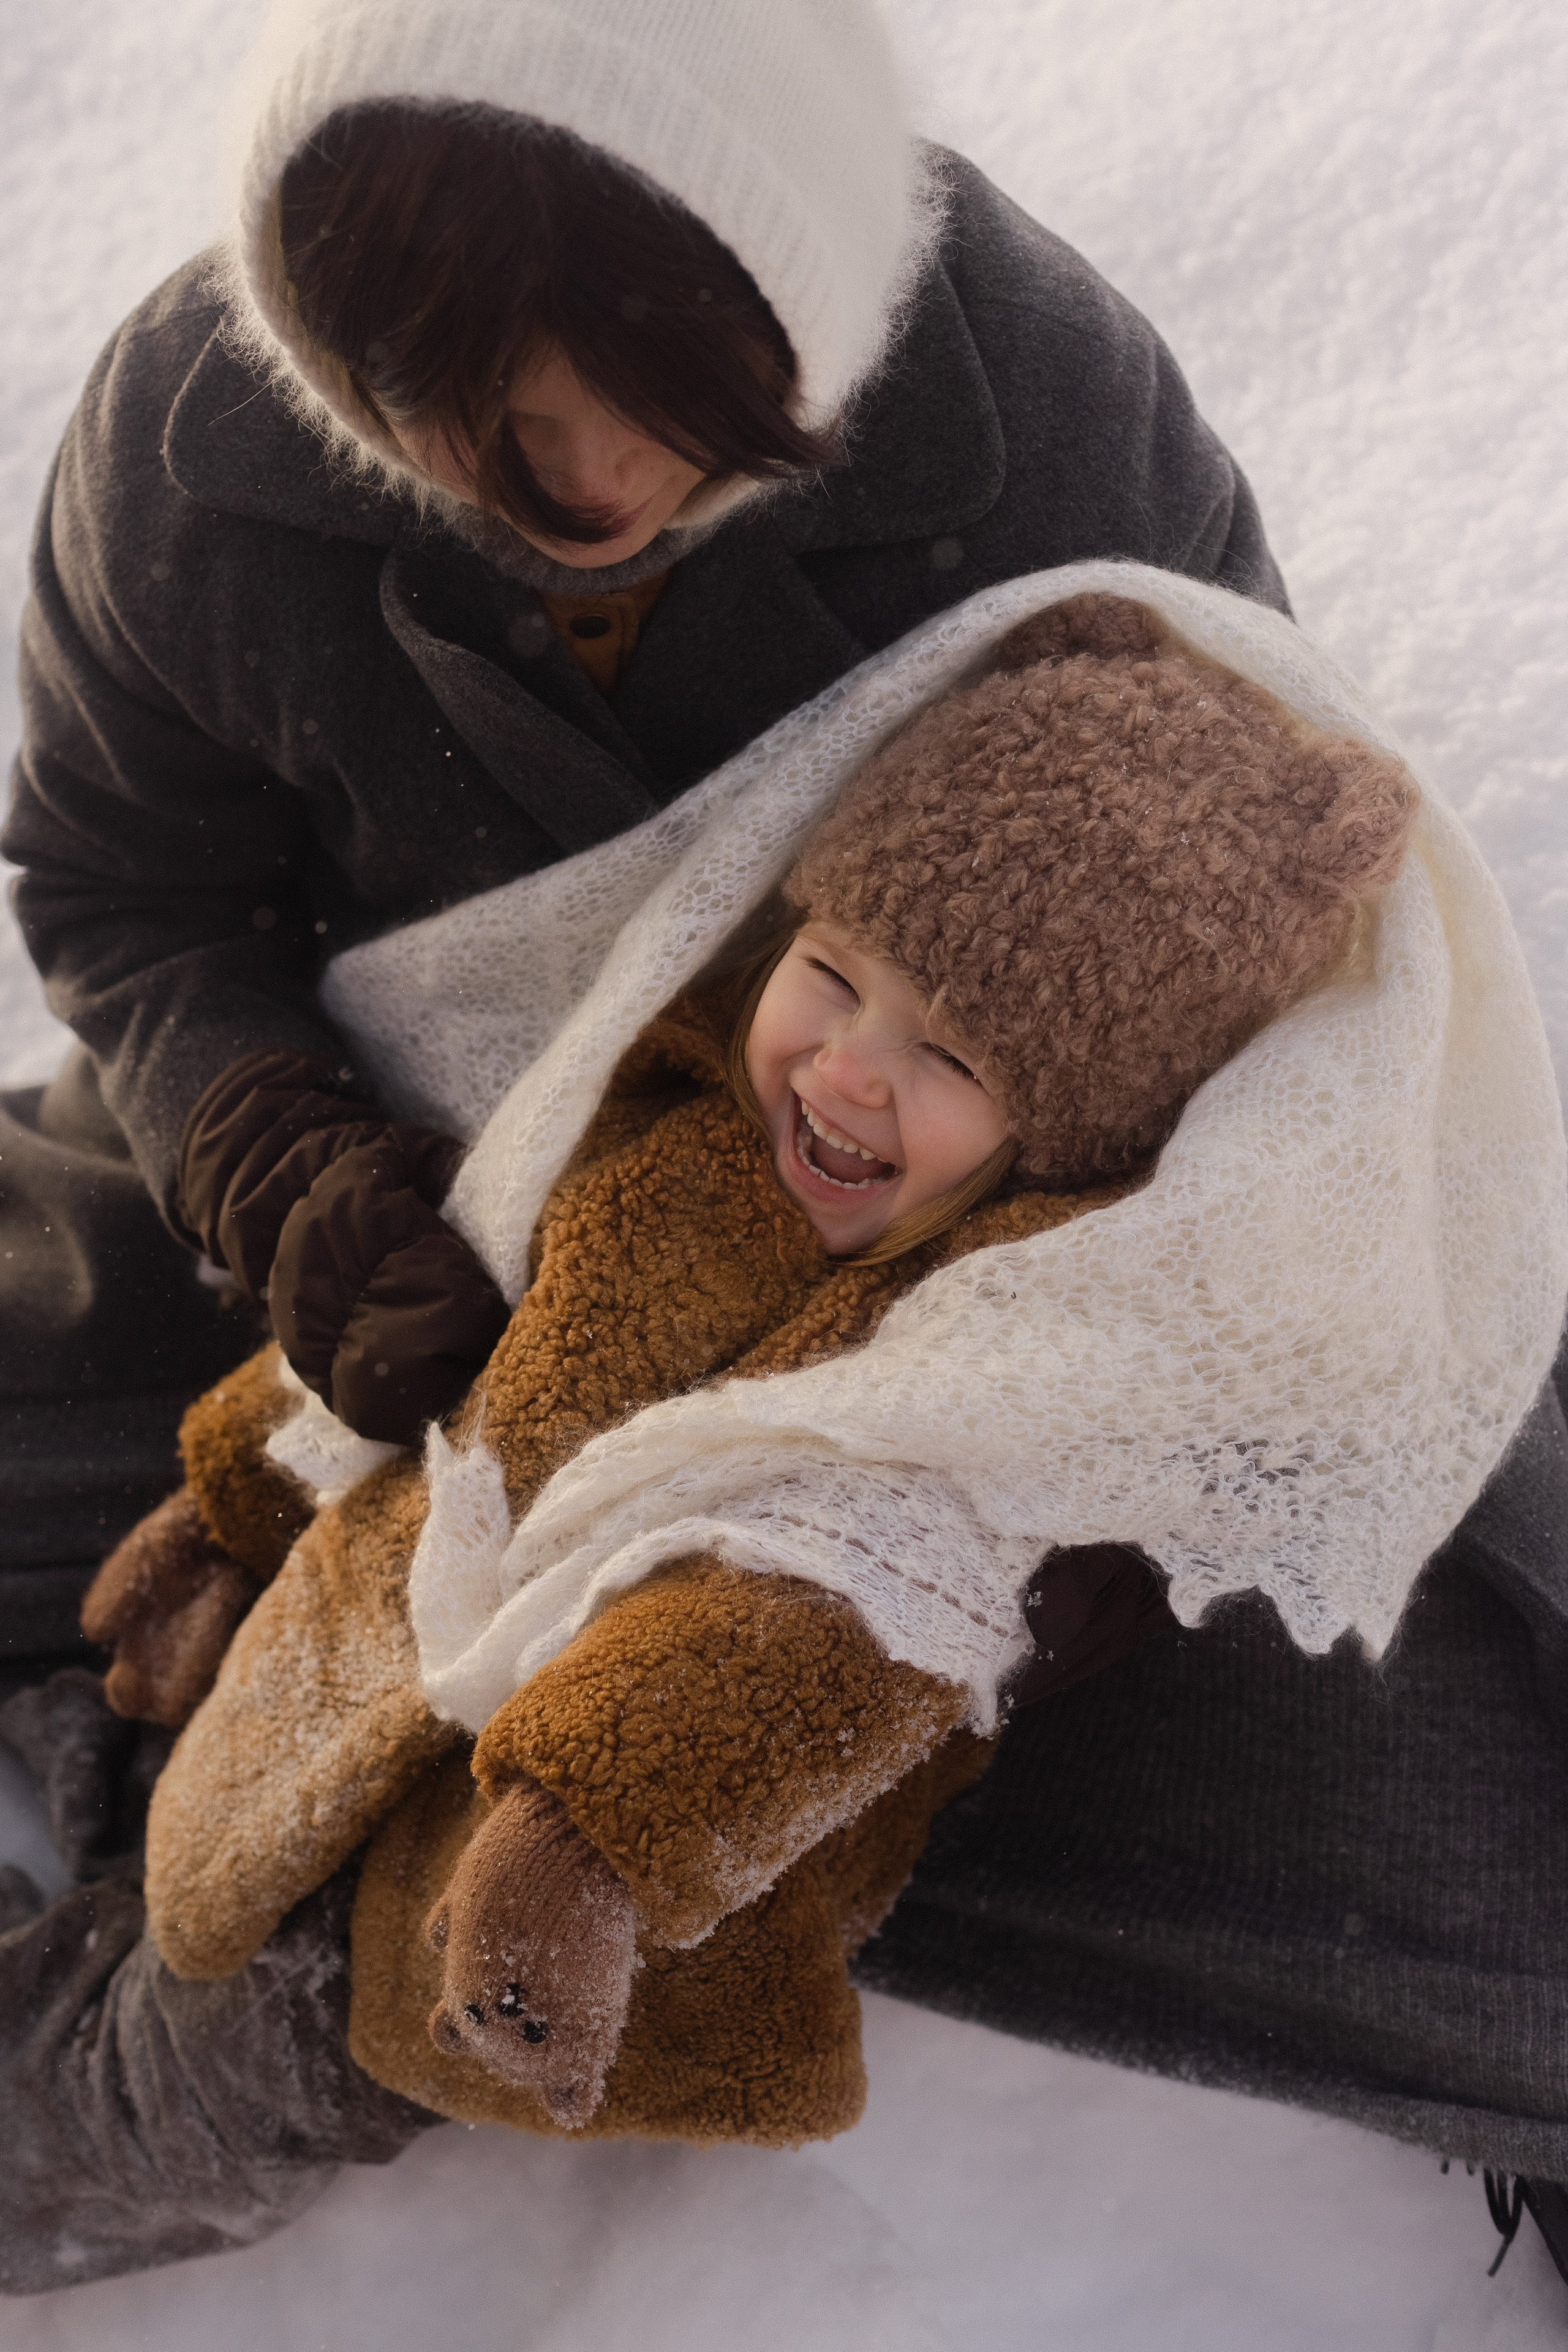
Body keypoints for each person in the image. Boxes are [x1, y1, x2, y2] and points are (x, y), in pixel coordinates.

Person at [4, 0, 1567, 2294]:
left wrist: (959, 1422)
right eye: (470, 410)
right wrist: (276, 1163)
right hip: (397, 1182)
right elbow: (124, 887)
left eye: (645, 384)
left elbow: (1224, 952)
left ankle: (346, 1918)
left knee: (1429, 1713)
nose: (582, 481)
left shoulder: (1041, 425)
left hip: (929, 1250)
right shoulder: (197, 442)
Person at [1, 590, 1423, 2275]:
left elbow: (794, 1655)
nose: (845, 1069)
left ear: (1068, 1138)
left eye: (950, 1055)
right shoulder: (670, 1128)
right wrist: (236, 1504)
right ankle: (97, 1797)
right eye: (832, 974)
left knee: (161, 2085)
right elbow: (440, 1351)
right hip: (337, 1668)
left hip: (474, 1898)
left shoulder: (974, 1408)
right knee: (190, 1824)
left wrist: (582, 1852)